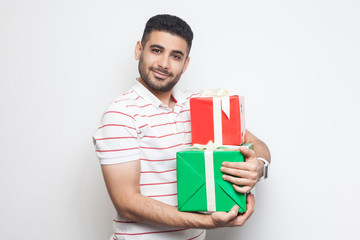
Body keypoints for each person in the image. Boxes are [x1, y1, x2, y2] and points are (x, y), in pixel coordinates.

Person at [93, 14, 271, 240]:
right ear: (139, 50)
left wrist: (259, 166)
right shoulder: (120, 114)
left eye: (175, 56)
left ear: (186, 64)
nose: (164, 64)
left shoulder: (198, 104)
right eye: (156, 50)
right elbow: (126, 203)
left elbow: (254, 142)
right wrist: (206, 221)